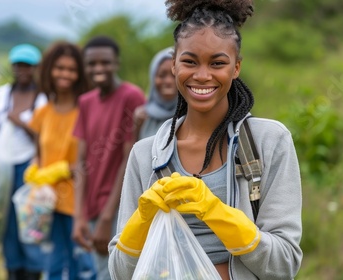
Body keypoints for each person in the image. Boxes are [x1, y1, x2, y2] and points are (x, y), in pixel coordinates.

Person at [108, 0, 303, 279]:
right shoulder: (145, 154)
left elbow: (284, 263)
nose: (202, 75)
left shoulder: (270, 142)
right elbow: (119, 272)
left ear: (235, 67)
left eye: (217, 63)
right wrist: (142, 220)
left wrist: (216, 212)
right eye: (189, 61)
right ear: (173, 64)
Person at [72, 36, 146, 280]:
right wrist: (79, 215)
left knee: (113, 273)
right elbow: (80, 161)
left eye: (105, 62)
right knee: (100, 270)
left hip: (117, 207)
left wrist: (106, 218)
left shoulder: (131, 97)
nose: (98, 69)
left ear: (117, 63)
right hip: (91, 207)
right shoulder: (85, 102)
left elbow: (128, 160)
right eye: (92, 64)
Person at [26, 41, 96, 280]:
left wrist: (71, 169)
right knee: (54, 266)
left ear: (80, 74)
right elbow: (38, 154)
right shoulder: (42, 113)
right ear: (48, 70)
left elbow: (92, 157)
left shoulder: (87, 110)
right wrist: (36, 173)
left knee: (83, 268)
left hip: (78, 203)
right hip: (47, 203)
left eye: (71, 69)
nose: (65, 74)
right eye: (59, 68)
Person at [0, 44, 48, 280]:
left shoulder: (43, 99)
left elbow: (44, 137)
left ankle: (33, 269)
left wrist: (19, 122)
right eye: (18, 65)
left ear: (36, 68)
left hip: (30, 167)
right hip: (3, 167)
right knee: (7, 220)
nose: (22, 70)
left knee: (30, 220)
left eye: (28, 66)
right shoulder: (0, 96)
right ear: (12, 67)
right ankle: (13, 268)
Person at [134, 47, 178, 140]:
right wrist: (137, 127)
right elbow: (136, 151)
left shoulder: (193, 115)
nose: (168, 81)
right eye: (162, 75)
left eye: (174, 75)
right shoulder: (143, 116)